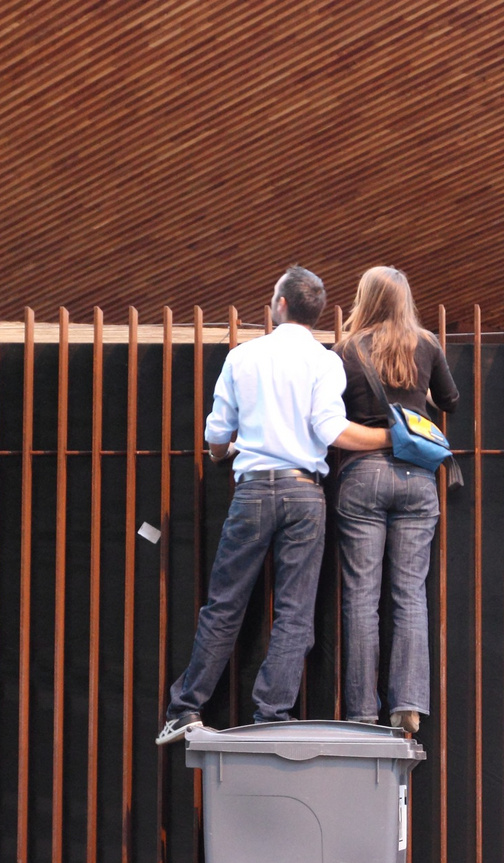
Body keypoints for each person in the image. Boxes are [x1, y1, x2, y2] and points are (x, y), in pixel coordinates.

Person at [156, 266, 391, 744]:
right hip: (306, 492)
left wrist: (229, 447)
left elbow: (217, 438)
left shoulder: (244, 357)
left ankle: (185, 708)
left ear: (279, 304)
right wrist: (393, 437)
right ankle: (273, 717)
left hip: (254, 491)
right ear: (315, 312)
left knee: (224, 605)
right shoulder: (326, 363)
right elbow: (331, 430)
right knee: (295, 612)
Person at [330, 266, 461, 735]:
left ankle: (363, 712)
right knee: (409, 594)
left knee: (362, 598)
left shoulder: (345, 350)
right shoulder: (425, 343)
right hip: (418, 479)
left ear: (364, 298)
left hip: (363, 474)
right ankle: (407, 706)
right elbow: (451, 399)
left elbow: (328, 410)